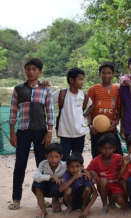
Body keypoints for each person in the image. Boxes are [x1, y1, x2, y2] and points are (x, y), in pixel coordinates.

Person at [8, 58, 54, 210]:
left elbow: (50, 111)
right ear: (25, 71)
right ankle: (16, 199)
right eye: (28, 69)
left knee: (42, 165)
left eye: (34, 69)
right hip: (23, 132)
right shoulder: (18, 89)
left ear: (40, 72)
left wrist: (49, 132)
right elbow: (13, 112)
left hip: (41, 132)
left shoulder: (45, 89)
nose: (31, 72)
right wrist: (12, 133)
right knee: (19, 165)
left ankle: (44, 197)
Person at [53, 68, 92, 161]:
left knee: (77, 160)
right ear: (71, 80)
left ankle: (77, 176)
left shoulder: (83, 95)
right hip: (65, 134)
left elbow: (91, 106)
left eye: (83, 79)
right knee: (64, 159)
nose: (82, 82)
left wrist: (84, 115)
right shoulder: (61, 93)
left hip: (80, 134)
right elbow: (47, 101)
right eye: (80, 79)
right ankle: (65, 176)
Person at [88, 62, 123, 158]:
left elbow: (120, 109)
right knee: (97, 156)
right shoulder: (93, 89)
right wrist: (91, 125)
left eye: (109, 73)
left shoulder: (117, 89)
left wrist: (115, 123)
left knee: (117, 155)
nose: (106, 75)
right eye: (104, 72)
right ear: (100, 74)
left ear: (112, 74)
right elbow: (88, 110)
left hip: (111, 129)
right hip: (96, 130)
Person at [86, 133, 126, 213]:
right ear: (100, 149)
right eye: (104, 148)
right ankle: (105, 204)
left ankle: (111, 201)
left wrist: (124, 164)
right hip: (103, 185)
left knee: (121, 202)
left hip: (115, 185)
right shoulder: (96, 160)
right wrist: (93, 174)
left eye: (110, 148)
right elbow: (87, 170)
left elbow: (124, 169)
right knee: (103, 180)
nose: (107, 150)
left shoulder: (118, 158)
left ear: (114, 148)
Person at [32, 143, 66, 218]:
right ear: (46, 156)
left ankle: (56, 199)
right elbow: (35, 176)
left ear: (61, 157)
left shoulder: (64, 165)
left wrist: (63, 179)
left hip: (56, 188)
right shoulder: (43, 164)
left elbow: (71, 175)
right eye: (50, 157)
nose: (53, 159)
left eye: (56, 157)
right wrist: (51, 177)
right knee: (37, 185)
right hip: (45, 187)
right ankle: (43, 210)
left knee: (56, 210)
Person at [60, 153, 97, 218]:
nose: (75, 169)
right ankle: (70, 207)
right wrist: (74, 178)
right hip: (71, 201)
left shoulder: (85, 175)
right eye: (72, 167)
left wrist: (86, 210)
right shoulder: (67, 174)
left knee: (87, 188)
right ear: (68, 168)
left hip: (83, 200)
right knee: (68, 190)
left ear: (82, 167)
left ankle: (84, 206)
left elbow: (95, 194)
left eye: (77, 166)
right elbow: (61, 189)